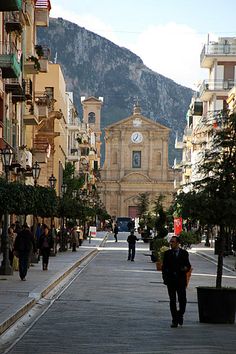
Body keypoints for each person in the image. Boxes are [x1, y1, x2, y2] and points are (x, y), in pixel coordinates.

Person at [162, 236, 191, 328]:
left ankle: (180, 314)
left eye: (173, 242)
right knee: (172, 300)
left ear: (178, 243)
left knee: (182, 300)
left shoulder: (184, 253)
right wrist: (165, 279)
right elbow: (164, 267)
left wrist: (185, 269)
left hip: (181, 280)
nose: (171, 243)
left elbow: (188, 265)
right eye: (170, 242)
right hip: (171, 281)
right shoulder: (167, 253)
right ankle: (174, 320)